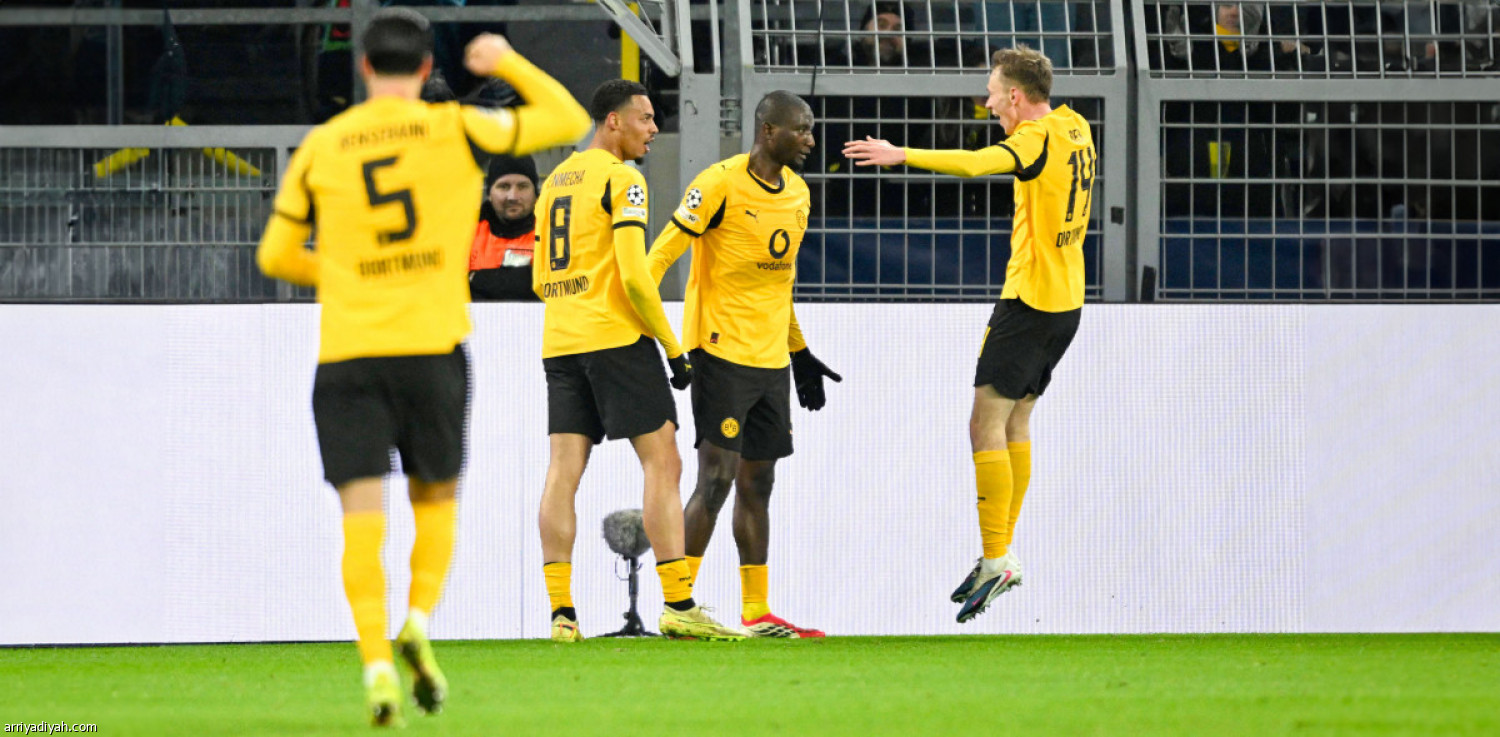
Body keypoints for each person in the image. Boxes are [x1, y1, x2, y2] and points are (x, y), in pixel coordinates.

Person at [256, 11, 589, 726]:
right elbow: (568, 118)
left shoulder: (323, 144)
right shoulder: (456, 128)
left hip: (349, 354)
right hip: (432, 348)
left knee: (360, 519)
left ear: (365, 67)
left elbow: (275, 255)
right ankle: (417, 618)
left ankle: (376, 662)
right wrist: (504, 60)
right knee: (435, 504)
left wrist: (350, 278)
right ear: (424, 67)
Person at [843, 45, 1093, 624]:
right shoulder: (1076, 125)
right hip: (1068, 302)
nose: (987, 103)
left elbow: (979, 164)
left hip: (1029, 301)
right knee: (1016, 423)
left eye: (992, 93)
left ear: (1015, 96)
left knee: (984, 426)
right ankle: (1000, 555)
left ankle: (997, 557)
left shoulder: (1035, 138)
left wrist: (902, 153)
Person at [533, 79, 744, 643]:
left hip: (561, 341)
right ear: (613, 121)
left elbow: (539, 278)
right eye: (645, 118)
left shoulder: (554, 182)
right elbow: (634, 275)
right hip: (615, 339)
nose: (654, 129)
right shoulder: (623, 179)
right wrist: (672, 348)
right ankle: (678, 604)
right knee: (663, 464)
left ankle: (562, 614)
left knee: (562, 472)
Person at [645, 91, 840, 639]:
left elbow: (782, 283)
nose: (810, 139)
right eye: (801, 129)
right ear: (768, 130)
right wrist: (654, 332)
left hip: (770, 359)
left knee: (760, 482)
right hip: (719, 351)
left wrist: (798, 351)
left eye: (811, 129)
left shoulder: (798, 193)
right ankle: (679, 605)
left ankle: (755, 612)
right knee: (716, 478)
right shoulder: (718, 185)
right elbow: (658, 257)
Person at [469, 154, 541, 301]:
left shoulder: (553, 231)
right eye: (504, 186)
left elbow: (552, 285)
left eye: (522, 186)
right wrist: (523, 277)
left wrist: (478, 279)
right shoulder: (467, 232)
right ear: (489, 193)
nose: (513, 196)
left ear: (535, 192)